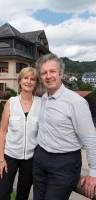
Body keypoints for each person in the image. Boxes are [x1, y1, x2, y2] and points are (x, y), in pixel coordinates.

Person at [33, 53, 96, 200]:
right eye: (44, 73)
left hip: (64, 165)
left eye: (52, 71)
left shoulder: (76, 102)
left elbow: (91, 139)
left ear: (61, 74)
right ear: (41, 77)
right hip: (40, 160)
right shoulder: (44, 98)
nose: (48, 76)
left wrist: (93, 173)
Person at [0, 67, 41, 200]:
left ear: (36, 83)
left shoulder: (41, 104)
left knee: (23, 195)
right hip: (10, 156)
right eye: (26, 78)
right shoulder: (11, 103)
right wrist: (0, 159)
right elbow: (2, 132)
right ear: (20, 81)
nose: (29, 81)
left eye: (32, 79)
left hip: (31, 159)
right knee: (2, 194)